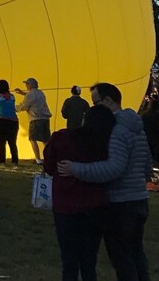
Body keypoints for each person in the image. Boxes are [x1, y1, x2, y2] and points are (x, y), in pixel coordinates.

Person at [59, 83, 153, 280]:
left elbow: (113, 168)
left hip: (121, 203)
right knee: (136, 253)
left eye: (96, 103)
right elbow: (146, 166)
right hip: (140, 199)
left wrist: (76, 169)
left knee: (121, 257)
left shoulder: (116, 130)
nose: (94, 108)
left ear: (108, 101)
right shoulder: (136, 128)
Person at [44, 105, 115, 281]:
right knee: (89, 261)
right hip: (95, 206)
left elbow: (49, 166)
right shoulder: (106, 145)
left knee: (69, 261)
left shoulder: (62, 138)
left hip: (66, 206)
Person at [16, 77, 52, 165]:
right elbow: (34, 98)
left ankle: (38, 159)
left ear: (30, 85)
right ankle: (49, 158)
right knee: (46, 140)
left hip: (36, 119)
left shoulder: (30, 95)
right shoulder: (41, 93)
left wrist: (11, 107)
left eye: (27, 84)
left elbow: (23, 106)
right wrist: (24, 94)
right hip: (45, 119)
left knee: (33, 139)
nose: (26, 86)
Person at [0, 79, 20, 165]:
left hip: (2, 121)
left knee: (1, 142)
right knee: (12, 142)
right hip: (13, 121)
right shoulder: (12, 96)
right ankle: (15, 161)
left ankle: (2, 161)